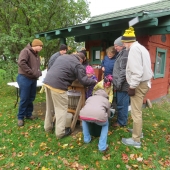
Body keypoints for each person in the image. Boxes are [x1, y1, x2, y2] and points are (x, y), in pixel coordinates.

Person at [43, 52, 97, 139]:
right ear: (81, 60)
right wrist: (94, 81)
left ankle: (48, 127)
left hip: (47, 82)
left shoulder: (63, 57)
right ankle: (60, 133)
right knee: (61, 109)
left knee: (50, 107)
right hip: (58, 86)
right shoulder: (78, 64)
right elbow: (84, 81)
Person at [121, 27, 153, 148]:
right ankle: (137, 131)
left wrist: (132, 87)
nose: (123, 45)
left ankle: (136, 140)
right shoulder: (142, 48)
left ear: (128, 41)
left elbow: (137, 72)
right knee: (137, 110)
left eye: (124, 42)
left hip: (139, 84)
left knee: (136, 112)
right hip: (145, 82)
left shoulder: (134, 50)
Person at [17, 39, 43, 126]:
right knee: (24, 98)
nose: (41, 48)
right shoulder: (26, 51)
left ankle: (28, 114)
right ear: (35, 45)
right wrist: (31, 72)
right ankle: (20, 117)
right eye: (40, 46)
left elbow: (36, 67)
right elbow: (21, 62)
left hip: (33, 79)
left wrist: (38, 73)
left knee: (31, 97)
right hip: (24, 78)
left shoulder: (36, 55)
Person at [112, 36, 130, 127]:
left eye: (116, 46)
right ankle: (122, 120)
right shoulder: (122, 53)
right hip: (120, 85)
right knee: (121, 103)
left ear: (122, 45)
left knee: (122, 104)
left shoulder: (125, 54)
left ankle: (121, 122)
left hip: (122, 85)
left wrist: (118, 84)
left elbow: (123, 71)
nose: (115, 48)